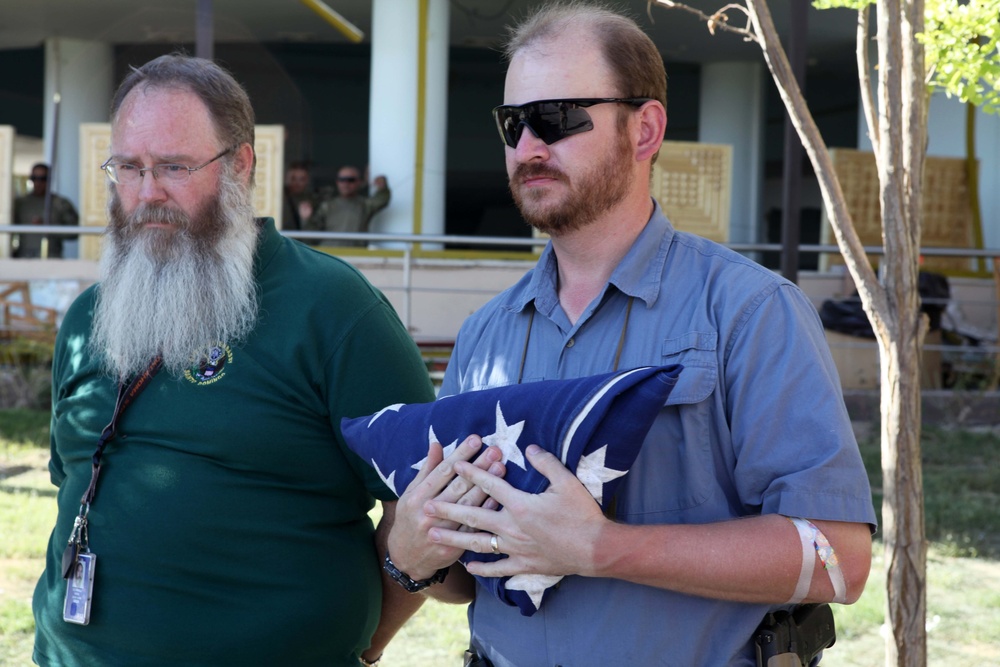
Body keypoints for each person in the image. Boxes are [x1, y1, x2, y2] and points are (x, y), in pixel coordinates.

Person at [384, 3, 878, 666]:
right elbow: (470, 575)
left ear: (644, 130)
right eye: (513, 123)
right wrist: (413, 554)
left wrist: (603, 547)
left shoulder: (749, 312)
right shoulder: (486, 335)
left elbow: (837, 559)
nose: (528, 146)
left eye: (556, 118)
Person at [31, 54, 438, 667]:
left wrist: (360, 643)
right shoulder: (88, 319)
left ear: (240, 166)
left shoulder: (335, 310)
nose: (147, 193)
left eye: (174, 166)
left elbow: (421, 504)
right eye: (129, 168)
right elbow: (74, 484)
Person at [306, 165, 390, 247]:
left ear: (359, 182)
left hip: (355, 254)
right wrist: (306, 218)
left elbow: (382, 200)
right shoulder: (327, 205)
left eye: (351, 180)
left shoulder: (365, 205)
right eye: (342, 180)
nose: (346, 183)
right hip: (330, 252)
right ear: (337, 182)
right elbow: (312, 232)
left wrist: (382, 188)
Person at [11, 163, 79, 258]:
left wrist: (49, 226)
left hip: (52, 258)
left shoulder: (61, 204)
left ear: (49, 180)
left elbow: (75, 232)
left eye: (43, 179)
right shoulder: (20, 204)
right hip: (24, 257)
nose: (39, 183)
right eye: (34, 178)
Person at [281, 160, 318, 231]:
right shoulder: (278, 198)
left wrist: (306, 220)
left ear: (307, 181)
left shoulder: (312, 201)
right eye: (293, 178)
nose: (297, 183)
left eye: (302, 179)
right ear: (286, 179)